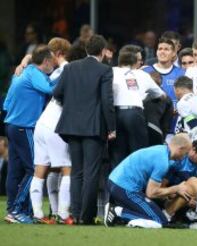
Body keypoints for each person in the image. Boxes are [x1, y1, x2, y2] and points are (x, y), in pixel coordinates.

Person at [53, 34, 116, 225]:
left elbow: (57, 93)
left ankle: (76, 213)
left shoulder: (70, 67)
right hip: (93, 127)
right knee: (91, 172)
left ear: (87, 49)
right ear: (103, 51)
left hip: (71, 126)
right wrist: (111, 127)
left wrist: (72, 108)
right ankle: (85, 217)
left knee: (76, 172)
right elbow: (107, 101)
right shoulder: (105, 70)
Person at [3, 45, 56, 224]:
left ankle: (13, 209)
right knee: (34, 169)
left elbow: (6, 103)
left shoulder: (21, 72)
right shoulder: (34, 74)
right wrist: (66, 77)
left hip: (12, 124)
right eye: (53, 63)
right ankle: (17, 210)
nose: (54, 66)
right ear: (47, 61)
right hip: (23, 127)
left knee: (15, 170)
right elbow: (50, 89)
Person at [28, 38, 73, 225]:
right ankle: (63, 214)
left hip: (42, 124)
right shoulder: (69, 69)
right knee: (67, 169)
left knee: (40, 169)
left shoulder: (53, 73)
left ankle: (38, 214)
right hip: (56, 124)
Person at [104, 133, 192, 228]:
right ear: (180, 148)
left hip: (114, 182)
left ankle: (122, 214)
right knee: (159, 221)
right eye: (186, 153)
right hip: (124, 188)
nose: (184, 157)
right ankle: (117, 213)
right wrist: (176, 189)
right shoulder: (163, 162)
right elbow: (151, 193)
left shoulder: (161, 150)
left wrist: (169, 193)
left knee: (156, 216)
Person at [110, 50, 164, 168]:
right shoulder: (142, 74)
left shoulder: (111, 72)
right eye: (140, 60)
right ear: (135, 62)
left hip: (115, 114)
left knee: (118, 154)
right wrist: (142, 97)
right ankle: (138, 185)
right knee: (139, 153)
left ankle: (116, 185)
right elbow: (160, 95)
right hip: (135, 113)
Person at [162, 138, 197, 221]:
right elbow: (161, 187)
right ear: (193, 150)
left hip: (187, 193)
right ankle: (166, 214)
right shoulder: (178, 157)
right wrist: (171, 195)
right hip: (170, 191)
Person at [143, 38, 185, 140]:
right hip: (148, 126)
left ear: (174, 53)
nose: (162, 51)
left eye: (166, 49)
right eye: (160, 48)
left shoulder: (182, 73)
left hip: (174, 129)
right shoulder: (144, 71)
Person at [143, 71, 174, 146]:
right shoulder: (167, 98)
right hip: (157, 131)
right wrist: (162, 137)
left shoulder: (140, 95)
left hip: (141, 130)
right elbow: (166, 123)